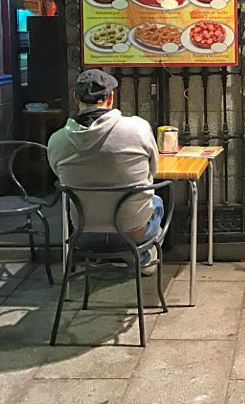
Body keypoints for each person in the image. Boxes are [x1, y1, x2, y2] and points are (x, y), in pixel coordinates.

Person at [47, 69, 164, 274]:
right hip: (132, 231)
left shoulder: (57, 140)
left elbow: (60, 175)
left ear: (76, 98)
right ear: (111, 97)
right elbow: (153, 169)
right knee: (158, 202)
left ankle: (101, 257)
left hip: (84, 233)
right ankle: (142, 254)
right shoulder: (138, 128)